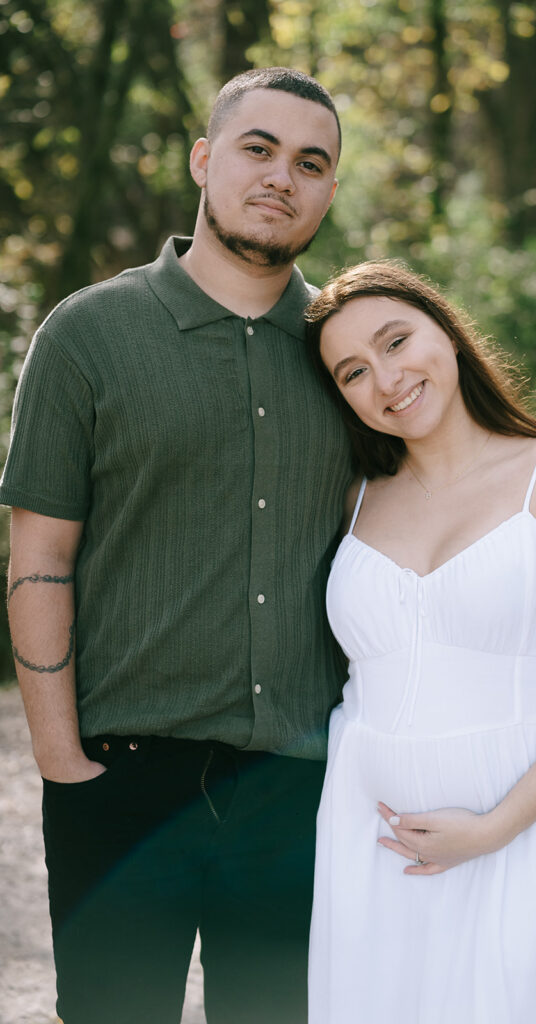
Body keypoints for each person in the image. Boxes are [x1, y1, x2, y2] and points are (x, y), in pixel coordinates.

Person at [0, 67, 353, 1024]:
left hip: (297, 785)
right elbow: (38, 555)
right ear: (204, 160)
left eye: (310, 162)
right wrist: (60, 759)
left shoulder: (348, 352)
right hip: (119, 777)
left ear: (329, 191)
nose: (282, 176)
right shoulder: (87, 335)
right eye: (258, 148)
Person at [304, 261, 536, 1023]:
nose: (386, 378)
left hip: (523, 827)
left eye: (397, 341)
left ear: (449, 335)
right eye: (354, 371)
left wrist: (493, 828)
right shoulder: (349, 497)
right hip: (370, 835)